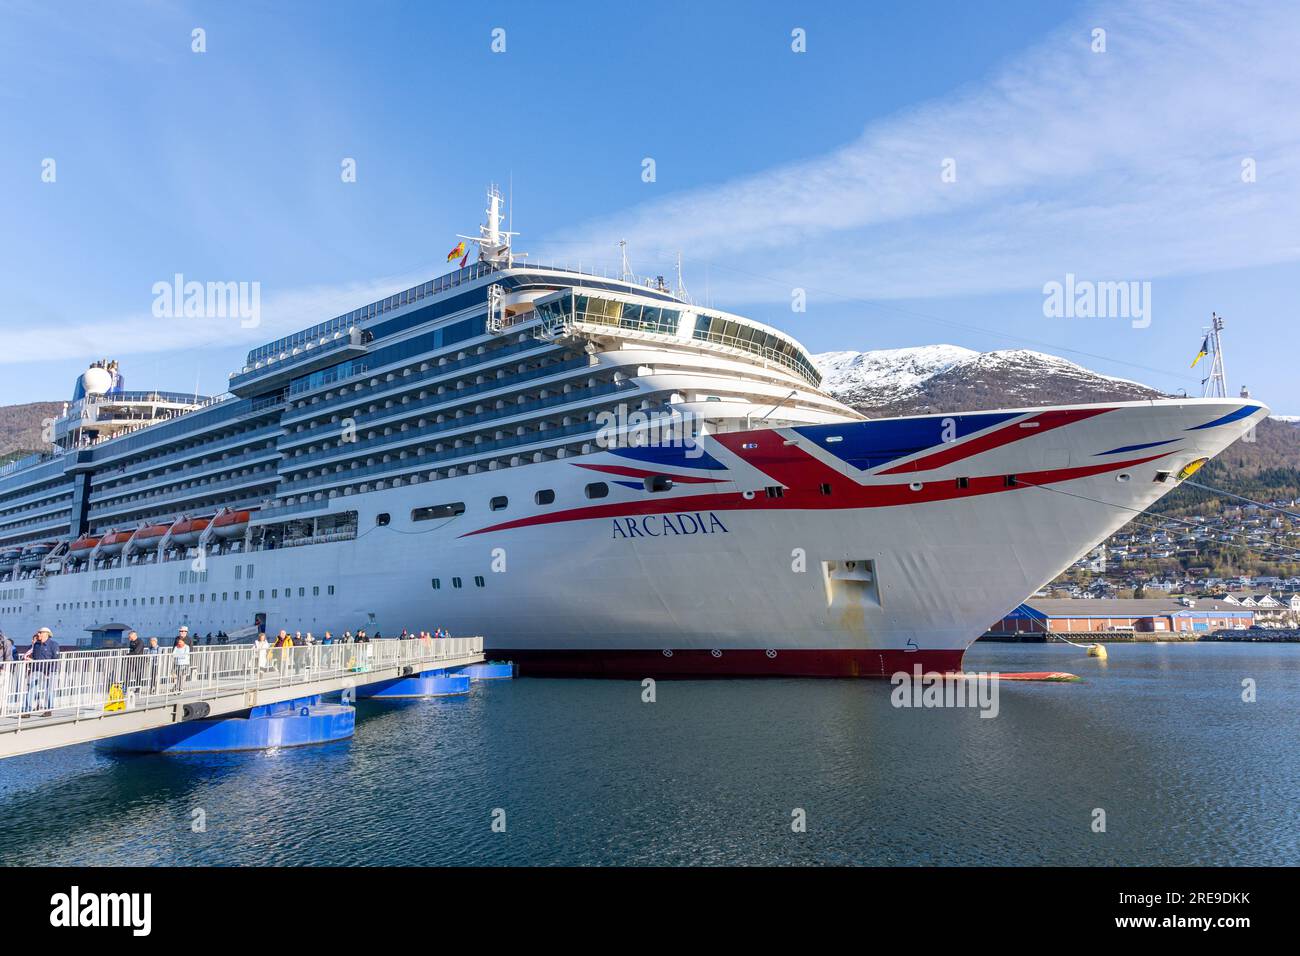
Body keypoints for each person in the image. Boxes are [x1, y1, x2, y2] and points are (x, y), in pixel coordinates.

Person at [23, 627, 60, 716]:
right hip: (37, 670)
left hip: (49, 672)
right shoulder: (36, 645)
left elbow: (56, 659)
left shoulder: (53, 644)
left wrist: (50, 672)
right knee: (31, 689)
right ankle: (27, 711)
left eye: (40, 632)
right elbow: (35, 658)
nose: (38, 634)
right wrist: (30, 660)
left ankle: (48, 710)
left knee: (49, 691)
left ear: (46, 634)